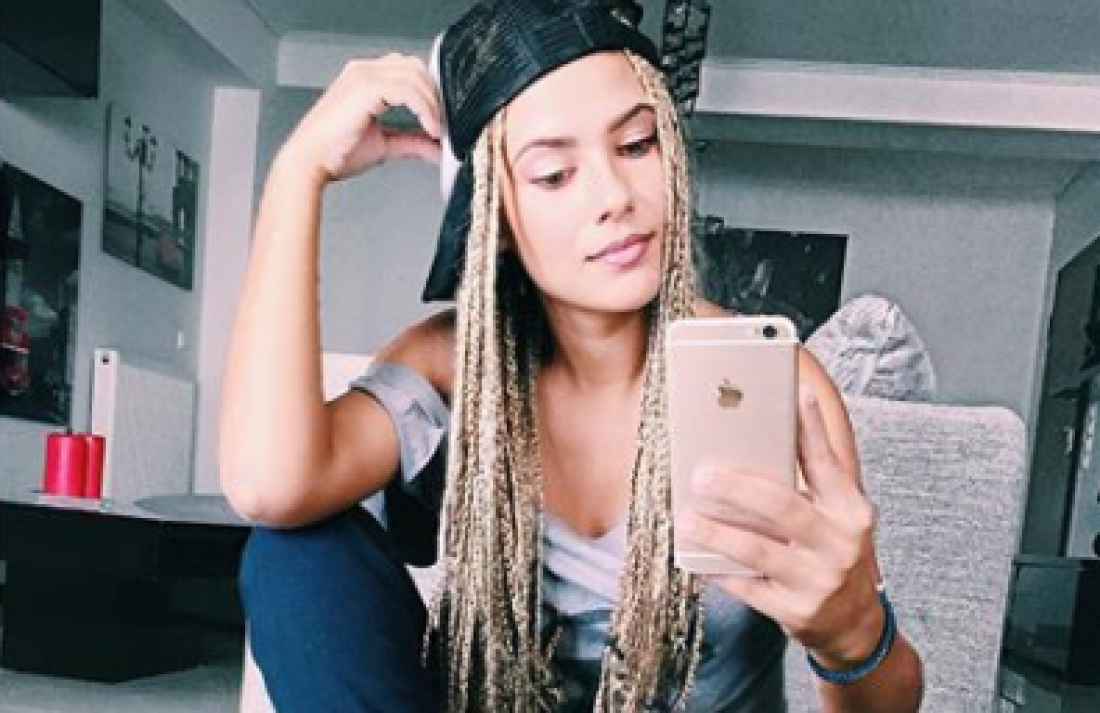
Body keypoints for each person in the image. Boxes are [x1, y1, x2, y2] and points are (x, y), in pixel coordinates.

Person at [220, 1, 924, 710]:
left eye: (637, 145)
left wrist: (851, 633)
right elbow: (269, 487)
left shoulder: (779, 384)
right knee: (295, 552)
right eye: (555, 174)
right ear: (494, 217)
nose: (615, 196)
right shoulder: (448, 366)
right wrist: (298, 173)